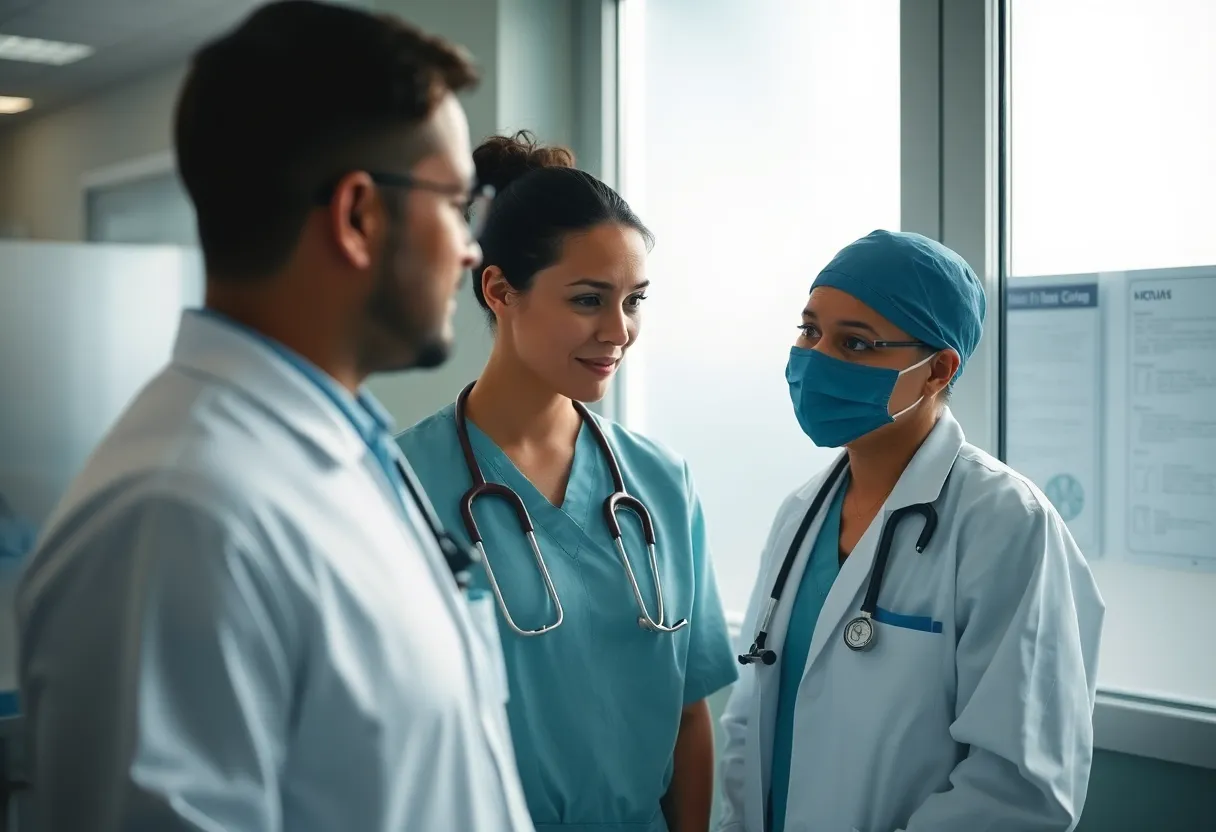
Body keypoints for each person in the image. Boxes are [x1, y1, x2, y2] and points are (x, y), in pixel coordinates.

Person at [16, 3, 533, 830]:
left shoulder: (347, 450)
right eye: (456, 203)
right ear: (358, 216)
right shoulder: (178, 515)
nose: (472, 246)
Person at [395, 132, 739, 832]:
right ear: (499, 290)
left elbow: (688, 713)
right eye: (588, 300)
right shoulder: (404, 487)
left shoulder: (659, 482)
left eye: (634, 301)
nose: (619, 331)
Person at [718, 230, 1105, 832]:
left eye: (855, 343)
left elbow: (1021, 787)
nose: (817, 358)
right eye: (810, 330)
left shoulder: (1006, 524)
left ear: (937, 370)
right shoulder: (801, 512)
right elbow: (751, 721)